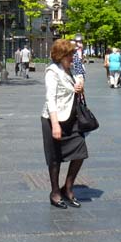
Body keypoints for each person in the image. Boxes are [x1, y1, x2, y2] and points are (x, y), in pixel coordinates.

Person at [42, 38, 87, 209]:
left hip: (72, 118)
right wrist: (55, 124)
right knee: (55, 158)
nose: (72, 57)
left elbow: (78, 84)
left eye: (73, 54)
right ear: (61, 55)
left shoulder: (71, 69)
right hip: (54, 118)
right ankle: (55, 192)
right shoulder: (52, 71)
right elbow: (50, 99)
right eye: (69, 54)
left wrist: (80, 88)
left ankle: (67, 188)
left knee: (80, 152)